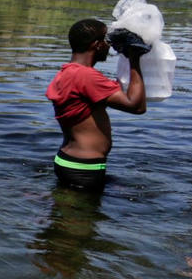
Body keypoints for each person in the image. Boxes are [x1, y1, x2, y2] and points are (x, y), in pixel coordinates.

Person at [46, 19, 146, 191]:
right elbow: (136, 106)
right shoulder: (86, 76)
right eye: (106, 41)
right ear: (96, 45)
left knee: (68, 204)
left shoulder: (67, 73)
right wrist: (134, 59)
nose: (110, 46)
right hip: (83, 167)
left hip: (70, 161)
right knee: (81, 210)